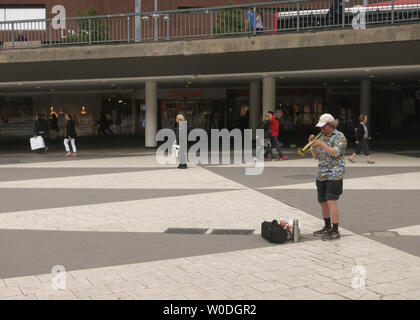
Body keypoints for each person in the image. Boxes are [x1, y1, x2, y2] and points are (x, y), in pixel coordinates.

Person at [310, 114, 347, 241]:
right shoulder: (322, 137)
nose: (322, 129)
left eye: (324, 127)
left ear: (331, 125)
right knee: (322, 201)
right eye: (321, 127)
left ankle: (335, 230)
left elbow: (335, 153)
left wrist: (321, 144)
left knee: (331, 200)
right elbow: (316, 157)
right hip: (322, 172)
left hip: (335, 172)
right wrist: (313, 146)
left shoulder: (339, 136)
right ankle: (327, 227)